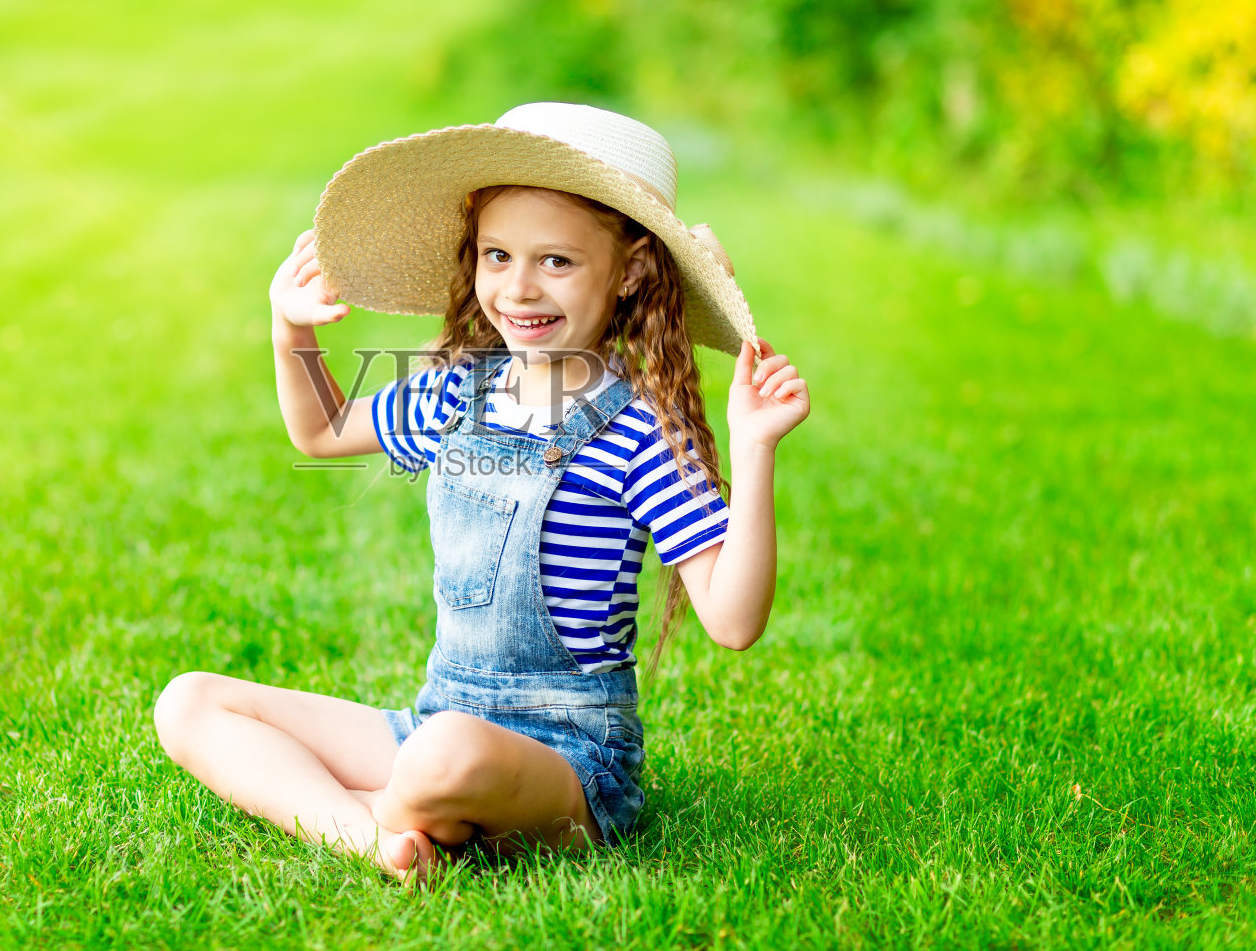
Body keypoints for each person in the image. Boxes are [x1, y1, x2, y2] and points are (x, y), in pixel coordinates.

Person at [154, 103, 811, 881]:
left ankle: (387, 805)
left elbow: (734, 621)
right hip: (444, 712)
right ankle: (373, 835)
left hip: (571, 758)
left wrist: (754, 446)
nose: (519, 288)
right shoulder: (459, 393)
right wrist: (289, 331)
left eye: (556, 261)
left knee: (443, 754)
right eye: (497, 255)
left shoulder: (640, 433)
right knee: (190, 703)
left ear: (631, 270)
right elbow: (325, 430)